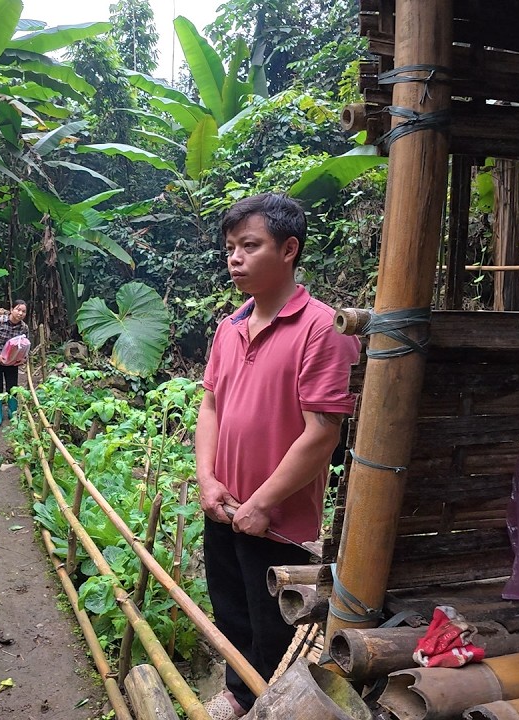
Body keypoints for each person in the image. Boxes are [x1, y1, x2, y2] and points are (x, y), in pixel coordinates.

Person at [196, 194, 360, 719]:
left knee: (271, 622)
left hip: (279, 518)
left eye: (250, 245)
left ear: (289, 249)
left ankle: (265, 702)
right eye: (229, 248)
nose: (234, 258)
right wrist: (206, 478)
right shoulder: (228, 326)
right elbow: (211, 404)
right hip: (223, 504)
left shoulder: (323, 329)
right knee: (229, 606)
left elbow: (321, 433)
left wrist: (264, 502)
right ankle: (237, 694)